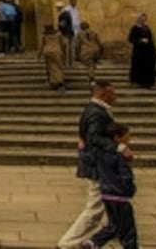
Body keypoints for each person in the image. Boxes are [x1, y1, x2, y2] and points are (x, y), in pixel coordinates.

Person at [57, 80, 130, 249]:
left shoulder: (96, 111)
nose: (116, 97)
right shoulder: (96, 113)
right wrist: (120, 147)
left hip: (99, 164)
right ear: (103, 94)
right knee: (95, 208)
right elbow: (94, 138)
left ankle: (108, 238)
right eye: (113, 93)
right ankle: (67, 243)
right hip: (99, 165)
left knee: (107, 206)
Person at [85, 122, 139, 249]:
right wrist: (130, 189)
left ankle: (93, 242)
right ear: (117, 138)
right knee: (128, 229)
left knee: (113, 226)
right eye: (127, 136)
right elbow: (126, 175)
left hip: (107, 194)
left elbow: (89, 159)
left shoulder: (100, 153)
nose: (129, 139)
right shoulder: (119, 155)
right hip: (120, 196)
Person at [127, 13, 156, 89]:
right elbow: (131, 39)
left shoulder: (147, 27)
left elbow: (151, 38)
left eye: (144, 18)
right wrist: (140, 40)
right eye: (141, 18)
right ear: (138, 19)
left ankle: (149, 83)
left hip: (148, 51)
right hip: (139, 51)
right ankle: (137, 82)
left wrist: (154, 50)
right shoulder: (135, 28)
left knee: (149, 66)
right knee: (138, 66)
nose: (143, 20)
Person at [38, 23, 66, 91]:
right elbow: (62, 44)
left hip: (47, 51)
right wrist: (64, 52)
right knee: (58, 67)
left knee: (50, 68)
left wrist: (39, 54)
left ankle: (53, 82)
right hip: (57, 51)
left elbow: (42, 45)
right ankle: (60, 83)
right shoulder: (59, 34)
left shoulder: (44, 35)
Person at [57, 2, 76, 67]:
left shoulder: (63, 15)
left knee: (66, 49)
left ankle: (67, 63)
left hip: (66, 34)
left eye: (57, 8)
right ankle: (72, 63)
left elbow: (63, 24)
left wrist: (58, 30)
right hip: (70, 33)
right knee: (71, 49)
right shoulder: (68, 13)